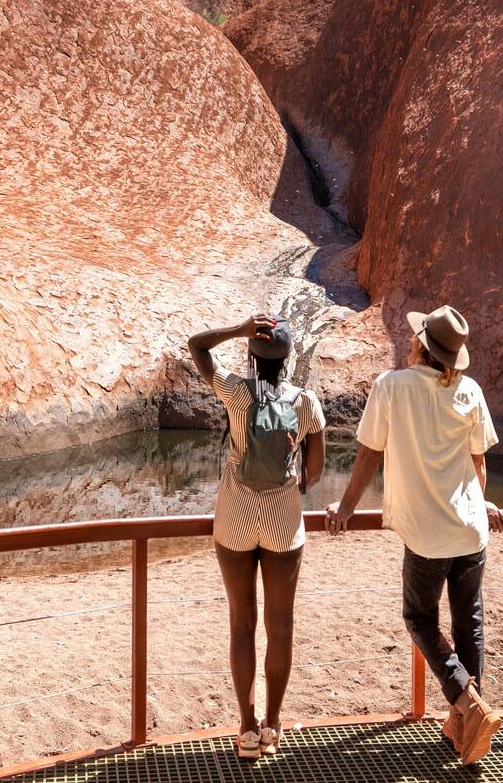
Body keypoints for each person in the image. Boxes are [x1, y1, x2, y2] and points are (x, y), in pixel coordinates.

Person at [326, 304, 503, 763]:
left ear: (421, 346)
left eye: (414, 337)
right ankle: (467, 722)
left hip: (428, 534)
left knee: (419, 619)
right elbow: (478, 463)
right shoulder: (469, 390)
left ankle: (468, 705)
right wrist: (480, 502)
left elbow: (368, 452)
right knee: (469, 622)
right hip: (471, 530)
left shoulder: (392, 387)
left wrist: (346, 507)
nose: (408, 340)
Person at [188, 313, 327, 760]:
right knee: (279, 626)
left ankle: (246, 729)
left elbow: (196, 345)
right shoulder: (305, 402)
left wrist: (236, 330)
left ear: (253, 354)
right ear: (286, 359)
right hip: (284, 520)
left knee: (241, 622)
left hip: (235, 518)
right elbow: (315, 471)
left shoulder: (235, 392)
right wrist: (293, 481)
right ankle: (273, 724)